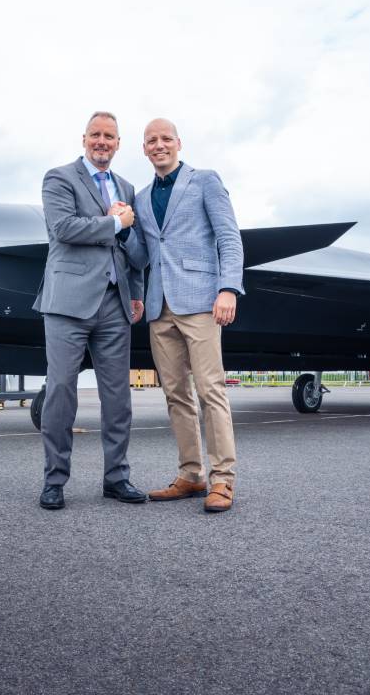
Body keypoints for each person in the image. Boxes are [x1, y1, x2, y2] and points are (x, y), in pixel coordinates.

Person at [120, 118, 244, 513]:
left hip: (201, 301)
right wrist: (124, 231)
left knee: (211, 390)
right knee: (176, 396)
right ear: (143, 149)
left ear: (178, 143)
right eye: (151, 141)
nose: (159, 145)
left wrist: (228, 288)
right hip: (160, 308)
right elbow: (141, 257)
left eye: (165, 139)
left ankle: (223, 479)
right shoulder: (140, 198)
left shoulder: (204, 180)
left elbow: (228, 236)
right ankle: (192, 475)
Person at [31, 111, 147, 510]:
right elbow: (64, 228)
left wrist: (137, 291)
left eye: (109, 136)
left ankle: (117, 478)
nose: (102, 142)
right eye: (96, 135)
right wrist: (115, 223)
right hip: (67, 302)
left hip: (115, 303)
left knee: (118, 398)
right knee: (61, 391)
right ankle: (55, 481)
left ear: (118, 144)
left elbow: (136, 249)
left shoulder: (127, 187)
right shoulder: (59, 178)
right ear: (84, 139)